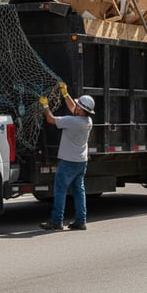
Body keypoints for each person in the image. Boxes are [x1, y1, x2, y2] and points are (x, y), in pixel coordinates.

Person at [38, 82, 94, 231]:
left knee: (60, 190)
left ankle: (57, 221)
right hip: (81, 162)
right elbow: (73, 108)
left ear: (82, 110)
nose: (76, 107)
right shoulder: (87, 121)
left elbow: (50, 119)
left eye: (79, 106)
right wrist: (65, 94)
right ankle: (81, 221)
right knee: (79, 191)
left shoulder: (72, 121)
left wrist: (45, 105)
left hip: (68, 162)